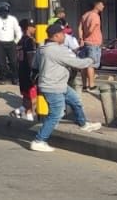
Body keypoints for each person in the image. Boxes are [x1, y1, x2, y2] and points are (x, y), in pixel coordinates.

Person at [28, 21, 103, 151]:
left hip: (57, 84)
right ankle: (39, 140)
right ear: (56, 36)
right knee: (56, 114)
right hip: (54, 87)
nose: (65, 37)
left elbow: (34, 66)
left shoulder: (42, 49)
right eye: (63, 34)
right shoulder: (57, 50)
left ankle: (83, 124)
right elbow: (78, 64)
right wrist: (92, 59)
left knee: (75, 101)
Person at [0, 2, 22, 84]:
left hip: (11, 43)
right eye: (3, 12)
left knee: (14, 62)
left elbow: (18, 30)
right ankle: (2, 78)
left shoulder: (12, 19)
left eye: (6, 11)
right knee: (1, 62)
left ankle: (15, 78)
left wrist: (16, 41)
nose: (5, 13)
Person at [77, 0, 105, 90]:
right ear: (96, 5)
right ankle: (91, 85)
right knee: (91, 64)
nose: (103, 6)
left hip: (84, 44)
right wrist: (87, 34)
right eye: (102, 4)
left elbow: (80, 28)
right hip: (93, 43)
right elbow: (91, 29)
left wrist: (81, 38)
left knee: (84, 65)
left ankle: (84, 85)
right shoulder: (95, 16)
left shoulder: (85, 15)